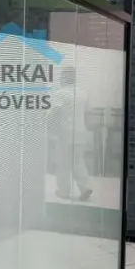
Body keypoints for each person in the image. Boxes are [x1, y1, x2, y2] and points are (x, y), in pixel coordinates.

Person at [53, 67, 93, 201]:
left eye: (61, 76)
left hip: (65, 133)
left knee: (63, 163)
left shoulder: (60, 93)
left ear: (64, 78)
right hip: (81, 133)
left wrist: (49, 125)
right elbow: (88, 115)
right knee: (78, 162)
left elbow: (54, 112)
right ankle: (85, 188)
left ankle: (64, 191)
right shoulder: (83, 94)